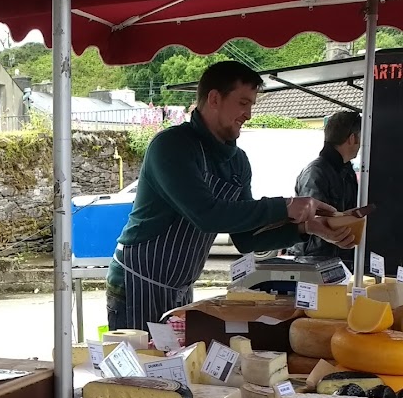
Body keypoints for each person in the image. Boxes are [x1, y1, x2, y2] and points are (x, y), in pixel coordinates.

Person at [106, 61, 356, 332]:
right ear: (214, 98)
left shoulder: (237, 162)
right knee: (139, 371)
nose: (248, 114)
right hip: (135, 285)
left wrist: (307, 228)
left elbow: (246, 238)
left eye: (251, 105)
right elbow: (207, 215)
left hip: (179, 288)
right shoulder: (172, 146)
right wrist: (284, 206)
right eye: (243, 103)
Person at [288, 111, 361, 267]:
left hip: (336, 259)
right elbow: (313, 220)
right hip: (314, 261)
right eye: (361, 138)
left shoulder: (346, 172)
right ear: (352, 138)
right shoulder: (316, 172)